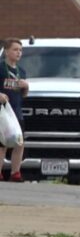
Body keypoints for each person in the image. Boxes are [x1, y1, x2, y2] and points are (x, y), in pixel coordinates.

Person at [0, 38, 28, 182]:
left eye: (20, 50)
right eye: (15, 49)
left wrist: (26, 87)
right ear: (6, 51)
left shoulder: (21, 71)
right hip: (2, 112)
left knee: (19, 142)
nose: (18, 53)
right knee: (2, 143)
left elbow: (23, 95)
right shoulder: (0, 68)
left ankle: (15, 172)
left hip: (16, 111)